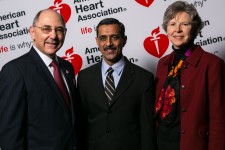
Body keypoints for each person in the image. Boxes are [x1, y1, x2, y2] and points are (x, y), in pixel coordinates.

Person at [0, 9, 77, 149]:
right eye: (46, 29)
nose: (53, 36)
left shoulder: (68, 67)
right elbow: (10, 136)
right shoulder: (15, 71)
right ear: (32, 32)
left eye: (59, 30)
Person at [154, 1, 225, 150]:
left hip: (190, 144)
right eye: (172, 24)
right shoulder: (163, 63)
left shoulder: (212, 64)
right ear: (166, 29)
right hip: (160, 142)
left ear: (194, 28)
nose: (177, 30)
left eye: (184, 24)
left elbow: (219, 119)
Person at [76, 18, 156, 150]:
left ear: (124, 40)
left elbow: (147, 130)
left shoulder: (144, 79)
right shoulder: (84, 77)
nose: (109, 43)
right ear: (97, 41)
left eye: (114, 37)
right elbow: (81, 125)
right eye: (103, 38)